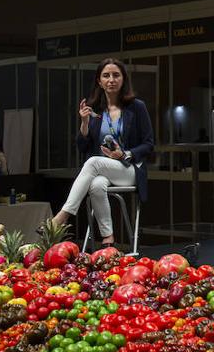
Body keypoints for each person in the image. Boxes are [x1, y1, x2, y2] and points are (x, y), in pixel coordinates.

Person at [52, 58, 154, 246]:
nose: (111, 79)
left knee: (93, 162)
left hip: (129, 169)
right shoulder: (95, 110)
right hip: (104, 170)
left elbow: (149, 144)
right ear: (99, 81)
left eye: (116, 75)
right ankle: (108, 240)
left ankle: (62, 216)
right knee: (96, 185)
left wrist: (124, 154)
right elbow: (83, 147)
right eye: (106, 76)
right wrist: (84, 123)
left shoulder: (137, 107)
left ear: (123, 79)